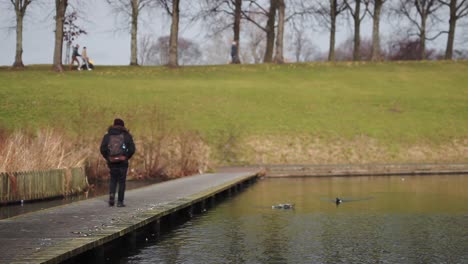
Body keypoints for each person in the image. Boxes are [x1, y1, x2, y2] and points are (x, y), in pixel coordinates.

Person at [100, 118, 136, 207]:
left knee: (113, 179)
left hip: (112, 161)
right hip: (123, 161)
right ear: (123, 126)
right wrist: (126, 157)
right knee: (122, 181)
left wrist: (108, 158)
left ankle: (111, 196)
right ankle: (120, 202)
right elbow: (132, 149)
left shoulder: (108, 135)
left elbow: (102, 149)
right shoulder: (126, 135)